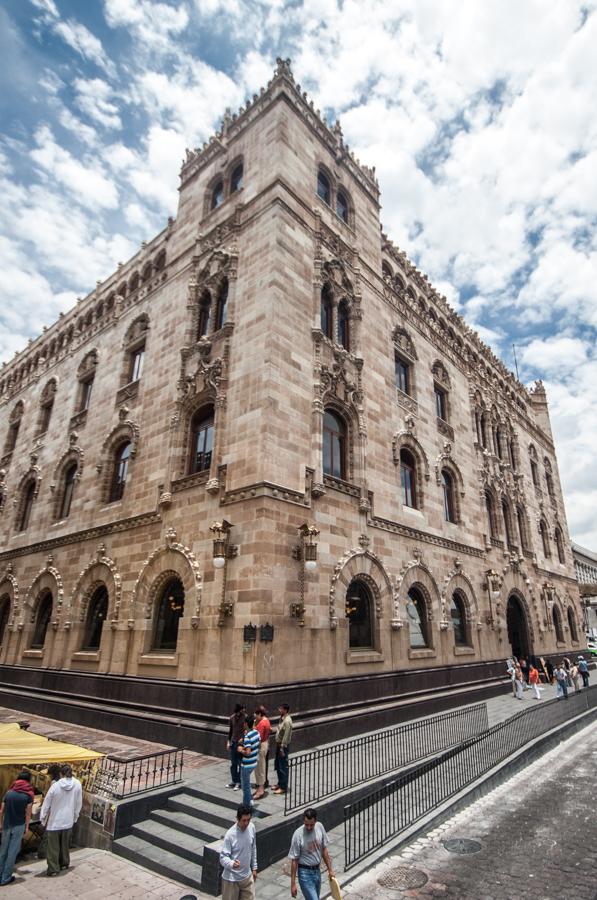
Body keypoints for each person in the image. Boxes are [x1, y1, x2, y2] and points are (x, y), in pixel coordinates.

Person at [40, 764, 82, 877]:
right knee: (64, 845)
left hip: (54, 822)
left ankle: (53, 868)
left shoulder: (55, 786)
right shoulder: (77, 784)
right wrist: (75, 817)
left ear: (60, 774)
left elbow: (46, 803)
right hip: (68, 821)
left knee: (53, 847)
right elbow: (79, 803)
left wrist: (43, 818)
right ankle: (64, 863)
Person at [288, 807, 335, 900]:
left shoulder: (320, 827)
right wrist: (293, 883)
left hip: (317, 872)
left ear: (316, 821)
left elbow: (324, 850)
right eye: (306, 824)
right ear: (303, 821)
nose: (309, 827)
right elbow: (294, 860)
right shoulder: (298, 835)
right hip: (304, 873)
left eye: (311, 825)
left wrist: (330, 870)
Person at [0, 771, 33, 885]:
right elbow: (28, 814)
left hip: (6, 824)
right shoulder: (28, 795)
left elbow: (1, 811)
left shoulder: (9, 793)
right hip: (19, 825)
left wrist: (0, 823)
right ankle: (5, 878)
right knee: (12, 852)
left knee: (3, 851)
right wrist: (27, 827)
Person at [219, 804, 257, 900]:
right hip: (231, 879)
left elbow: (253, 848)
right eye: (244, 820)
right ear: (238, 819)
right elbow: (223, 858)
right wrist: (232, 863)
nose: (246, 823)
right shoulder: (230, 835)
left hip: (247, 877)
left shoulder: (251, 827)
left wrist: (254, 867)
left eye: (248, 820)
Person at [239, 716, 260, 809]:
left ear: (246, 724)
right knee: (246, 784)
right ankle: (249, 799)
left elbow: (248, 752)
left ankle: (246, 805)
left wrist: (240, 750)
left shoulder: (247, 736)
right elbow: (256, 745)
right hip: (254, 762)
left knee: (245, 786)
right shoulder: (256, 733)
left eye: (244, 723)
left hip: (247, 764)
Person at [273, 703, 293, 795]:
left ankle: (283, 787)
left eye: (280, 708)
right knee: (278, 765)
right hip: (278, 745)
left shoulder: (287, 721)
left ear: (285, 710)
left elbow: (287, 735)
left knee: (282, 767)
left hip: (282, 746)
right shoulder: (281, 718)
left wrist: (282, 747)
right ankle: (280, 783)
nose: (279, 710)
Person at [226, 704, 247, 791]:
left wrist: (243, 738)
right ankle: (234, 780)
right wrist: (228, 742)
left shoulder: (245, 717)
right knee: (233, 763)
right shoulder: (232, 717)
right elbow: (230, 731)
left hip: (241, 744)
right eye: (242, 709)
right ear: (239, 710)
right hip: (233, 742)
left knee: (240, 763)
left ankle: (239, 782)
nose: (244, 710)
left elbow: (247, 730)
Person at [253, 706, 271, 800]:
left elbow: (258, 738)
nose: (255, 717)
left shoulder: (262, 723)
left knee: (260, 768)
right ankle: (260, 787)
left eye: (256, 715)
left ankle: (260, 789)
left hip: (260, 746)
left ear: (260, 714)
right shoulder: (266, 720)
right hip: (265, 744)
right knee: (261, 767)